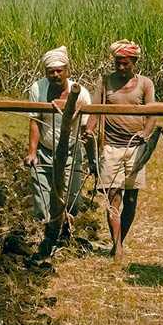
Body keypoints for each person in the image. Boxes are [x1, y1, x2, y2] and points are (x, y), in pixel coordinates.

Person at [84, 39, 156, 260]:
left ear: (134, 62)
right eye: (118, 63)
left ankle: (120, 240)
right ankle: (117, 246)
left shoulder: (145, 84)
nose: (121, 67)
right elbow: (95, 110)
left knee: (131, 200)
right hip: (111, 147)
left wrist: (146, 132)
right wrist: (89, 129)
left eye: (125, 63)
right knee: (113, 197)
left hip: (135, 148)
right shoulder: (105, 82)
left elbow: (152, 115)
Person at [24, 46, 92, 223]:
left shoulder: (81, 93)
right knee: (42, 194)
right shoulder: (38, 88)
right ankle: (44, 229)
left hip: (70, 149)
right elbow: (35, 121)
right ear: (45, 73)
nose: (55, 75)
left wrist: (92, 155)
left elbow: (86, 127)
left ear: (67, 71)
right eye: (51, 71)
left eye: (59, 71)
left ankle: (67, 230)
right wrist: (32, 152)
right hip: (45, 149)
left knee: (71, 198)